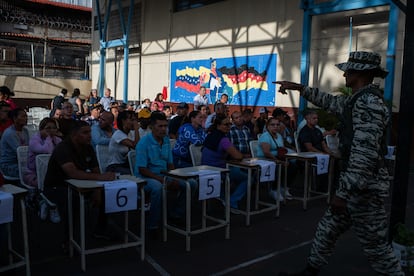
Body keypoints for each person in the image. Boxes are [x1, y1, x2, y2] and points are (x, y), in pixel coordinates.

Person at [275, 51, 403, 275]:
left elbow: (364, 156)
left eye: (349, 70)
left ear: (360, 74)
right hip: (355, 186)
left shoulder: (368, 104)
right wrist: (297, 87)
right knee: (327, 230)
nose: (344, 74)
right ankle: (311, 270)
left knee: (377, 249)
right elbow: (329, 101)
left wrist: (343, 194)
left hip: (363, 191)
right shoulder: (357, 99)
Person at [44, 120, 116, 246]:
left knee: (107, 192)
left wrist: (98, 189)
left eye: (89, 132)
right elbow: (73, 173)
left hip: (79, 185)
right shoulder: (63, 148)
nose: (89, 135)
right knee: (72, 199)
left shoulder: (88, 148)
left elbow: (96, 170)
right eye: (85, 133)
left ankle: (100, 229)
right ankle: (68, 240)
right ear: (74, 135)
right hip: (57, 186)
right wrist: (100, 179)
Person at [135, 112, 196, 238]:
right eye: (160, 126)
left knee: (192, 183)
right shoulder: (143, 143)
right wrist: (162, 180)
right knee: (157, 188)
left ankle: (176, 214)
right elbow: (142, 169)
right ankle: (152, 225)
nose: (164, 129)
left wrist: (173, 177)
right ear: (152, 127)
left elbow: (170, 164)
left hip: (163, 174)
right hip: (146, 177)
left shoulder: (167, 140)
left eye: (165, 126)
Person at [201, 114, 247, 210]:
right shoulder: (223, 139)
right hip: (218, 170)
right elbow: (238, 156)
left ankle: (223, 196)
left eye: (230, 124)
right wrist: (243, 155)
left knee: (236, 171)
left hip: (206, 168)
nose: (229, 127)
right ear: (218, 125)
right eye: (226, 125)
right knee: (247, 178)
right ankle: (232, 201)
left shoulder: (210, 135)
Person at [24, 118, 62, 188]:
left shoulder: (57, 140)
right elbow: (47, 151)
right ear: (41, 129)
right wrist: (48, 137)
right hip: (33, 174)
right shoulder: (34, 140)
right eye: (48, 128)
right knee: (50, 184)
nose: (51, 130)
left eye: (54, 128)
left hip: (51, 173)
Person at [0, 108, 29, 178]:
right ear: (15, 118)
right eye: (23, 116)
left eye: (26, 116)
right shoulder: (9, 133)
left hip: (21, 163)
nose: (26, 118)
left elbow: (29, 147)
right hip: (9, 166)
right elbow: (21, 152)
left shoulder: (25, 131)